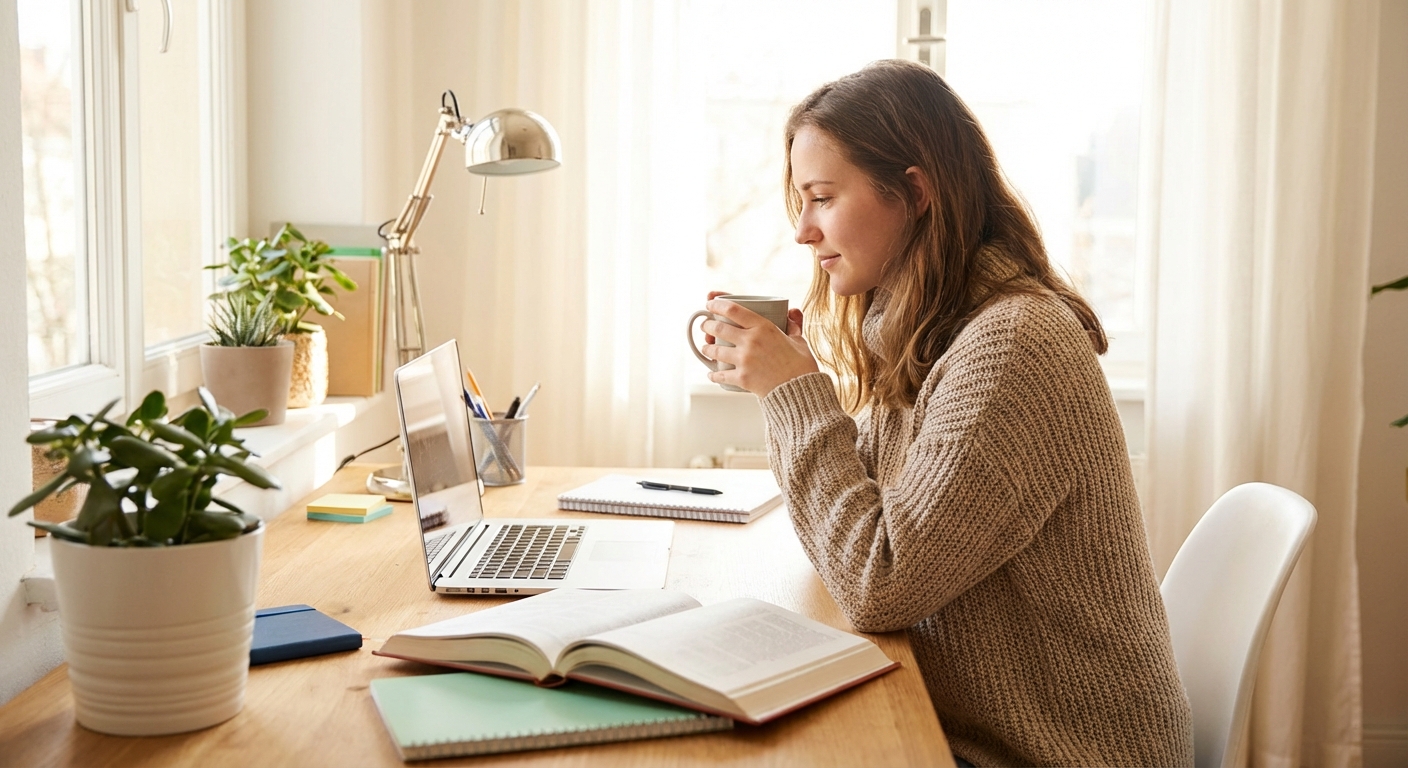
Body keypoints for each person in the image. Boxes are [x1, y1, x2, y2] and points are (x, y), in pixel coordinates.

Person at [698, 60, 1194, 767]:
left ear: (913, 192)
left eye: (823, 198)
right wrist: (790, 390)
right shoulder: (925, 333)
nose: (803, 231)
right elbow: (865, 522)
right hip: (972, 732)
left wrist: (795, 396)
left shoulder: (1013, 345)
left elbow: (879, 582)